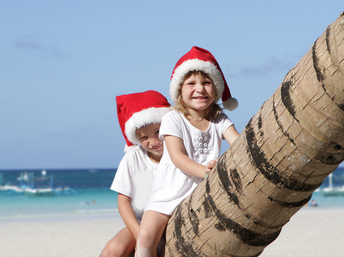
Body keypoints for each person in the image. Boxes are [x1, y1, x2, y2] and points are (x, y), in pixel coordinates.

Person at [135, 46, 240, 256]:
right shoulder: (173, 119)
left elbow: (238, 144)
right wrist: (205, 171)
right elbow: (177, 156)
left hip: (204, 192)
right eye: (191, 83)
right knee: (146, 237)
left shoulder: (219, 120)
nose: (200, 89)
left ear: (217, 89)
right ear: (179, 91)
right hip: (170, 191)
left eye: (207, 83)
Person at [100, 90, 171, 257]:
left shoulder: (179, 152)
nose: (153, 142)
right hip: (141, 223)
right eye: (143, 137)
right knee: (113, 249)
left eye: (157, 132)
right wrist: (139, 234)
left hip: (172, 221)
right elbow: (123, 201)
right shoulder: (133, 157)